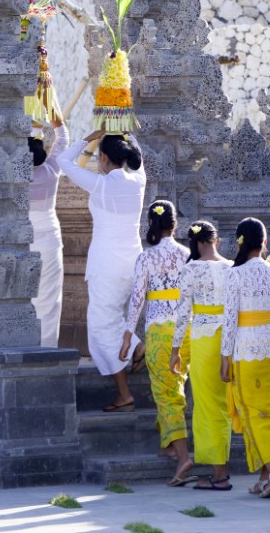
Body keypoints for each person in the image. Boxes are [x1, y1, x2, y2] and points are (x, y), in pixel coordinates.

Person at [55, 131, 146, 411]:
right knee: (112, 319)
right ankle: (136, 347)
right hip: (133, 261)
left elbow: (62, 160)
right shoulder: (139, 180)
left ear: (104, 158)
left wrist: (89, 137)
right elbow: (139, 157)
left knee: (100, 326)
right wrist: (126, 131)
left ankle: (125, 390)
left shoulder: (101, 185)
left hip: (107, 264)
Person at [119, 199, 194, 486]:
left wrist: (128, 336)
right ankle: (168, 445)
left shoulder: (147, 258)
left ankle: (184, 456)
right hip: (185, 331)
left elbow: (137, 299)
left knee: (167, 393)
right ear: (175, 224)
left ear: (151, 224)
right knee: (174, 387)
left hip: (160, 332)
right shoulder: (188, 255)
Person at [221, 217, 270, 498]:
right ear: (264, 242)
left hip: (247, 348)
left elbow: (229, 320)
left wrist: (225, 357)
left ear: (239, 242)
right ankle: (266, 478)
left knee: (252, 412)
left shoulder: (234, 275)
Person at [171, 219, 234, 491]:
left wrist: (175, 351)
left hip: (205, 340)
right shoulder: (233, 267)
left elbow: (183, 313)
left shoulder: (191, 270)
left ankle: (220, 474)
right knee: (224, 404)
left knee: (209, 406)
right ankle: (227, 470)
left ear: (195, 244)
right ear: (216, 241)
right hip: (230, 339)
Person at [27, 110, 68, 348]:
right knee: (49, 300)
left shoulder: (13, 176)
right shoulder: (52, 170)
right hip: (50, 239)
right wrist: (56, 119)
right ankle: (47, 350)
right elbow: (63, 140)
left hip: (19, 238)